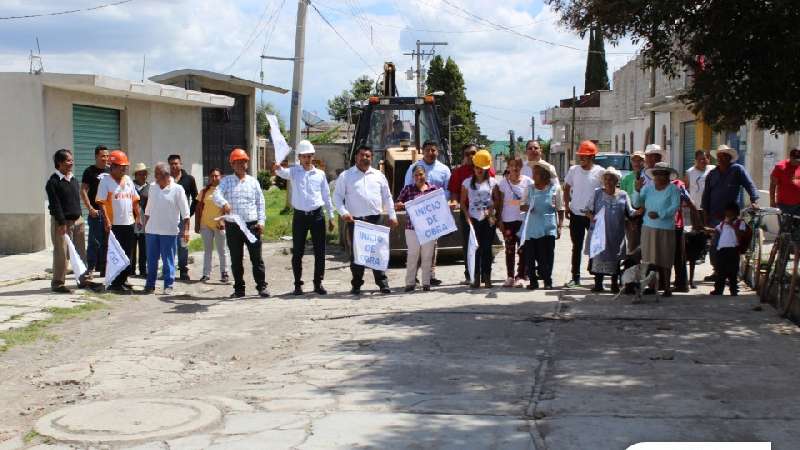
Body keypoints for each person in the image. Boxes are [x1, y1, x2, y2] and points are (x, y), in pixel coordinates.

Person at [334, 145, 399, 295]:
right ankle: (356, 284)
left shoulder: (379, 176)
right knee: (357, 254)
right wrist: (343, 212)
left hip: (375, 220)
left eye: (368, 156)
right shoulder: (346, 176)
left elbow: (387, 197)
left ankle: (383, 283)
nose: (365, 158)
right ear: (356, 157)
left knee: (378, 252)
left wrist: (392, 215)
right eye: (362, 155)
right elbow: (337, 197)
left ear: (372, 158)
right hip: (355, 221)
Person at [273, 140, 335, 296]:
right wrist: (277, 167)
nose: (307, 159)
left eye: (309, 156)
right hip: (300, 217)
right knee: (298, 251)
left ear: (313, 156)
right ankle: (297, 285)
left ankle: (318, 283)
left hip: (317, 216)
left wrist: (331, 216)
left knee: (320, 251)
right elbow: (281, 172)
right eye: (304, 156)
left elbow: (326, 196)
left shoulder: (320, 174)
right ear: (299, 157)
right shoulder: (294, 172)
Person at [213, 148, 269, 298]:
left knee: (257, 258)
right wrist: (224, 203)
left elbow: (260, 203)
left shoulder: (253, 182)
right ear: (232, 164)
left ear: (247, 163)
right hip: (234, 226)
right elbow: (215, 195)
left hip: (252, 226)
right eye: (237, 162)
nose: (241, 165)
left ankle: (262, 287)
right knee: (236, 259)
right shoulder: (226, 181)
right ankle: (239, 289)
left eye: (243, 161)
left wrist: (261, 221)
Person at [702, 144, 759, 281]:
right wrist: (705, 215)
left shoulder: (737, 170)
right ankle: (717, 271)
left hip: (731, 215)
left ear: (730, 158)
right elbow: (706, 195)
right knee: (715, 245)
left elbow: (749, 184)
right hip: (715, 215)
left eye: (725, 156)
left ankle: (731, 274)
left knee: (731, 245)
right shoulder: (712, 174)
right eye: (720, 156)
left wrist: (754, 200)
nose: (721, 159)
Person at [402, 140, 451, 286]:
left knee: (431, 247)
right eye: (428, 150)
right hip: (416, 217)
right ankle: (413, 278)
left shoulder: (444, 169)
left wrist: (439, 202)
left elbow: (448, 189)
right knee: (415, 250)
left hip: (434, 215)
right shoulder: (413, 168)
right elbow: (407, 188)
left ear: (438, 152)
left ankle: (430, 275)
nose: (431, 153)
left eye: (433, 150)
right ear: (422, 151)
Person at [46, 149, 94, 293]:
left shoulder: (73, 179)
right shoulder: (53, 182)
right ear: (59, 163)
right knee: (61, 253)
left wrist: (80, 217)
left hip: (77, 221)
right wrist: (61, 222)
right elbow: (55, 204)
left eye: (72, 160)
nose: (71, 163)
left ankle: (83, 280)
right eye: (68, 160)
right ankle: (58, 283)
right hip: (62, 223)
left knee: (80, 253)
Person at [449, 144, 497, 284]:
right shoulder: (459, 173)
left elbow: (496, 198)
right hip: (470, 216)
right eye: (467, 154)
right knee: (471, 246)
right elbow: (455, 193)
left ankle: (486, 276)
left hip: (489, 216)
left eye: (473, 153)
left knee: (487, 246)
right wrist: (455, 203)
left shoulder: (491, 173)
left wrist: (492, 213)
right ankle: (471, 275)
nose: (470, 156)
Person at [633, 162, 681, 297]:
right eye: (656, 174)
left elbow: (674, 207)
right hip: (648, 227)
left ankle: (666, 287)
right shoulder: (647, 188)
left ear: (667, 176)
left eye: (662, 174)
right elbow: (636, 203)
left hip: (666, 228)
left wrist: (660, 214)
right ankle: (652, 286)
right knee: (649, 258)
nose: (659, 177)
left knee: (665, 258)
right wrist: (637, 190)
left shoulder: (673, 189)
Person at [95, 150, 140, 294]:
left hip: (129, 223)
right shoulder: (105, 181)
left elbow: (134, 200)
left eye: (125, 167)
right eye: (121, 166)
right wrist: (107, 221)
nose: (124, 169)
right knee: (116, 253)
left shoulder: (127, 180)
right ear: (112, 166)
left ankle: (124, 279)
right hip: (114, 224)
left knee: (128, 254)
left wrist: (138, 217)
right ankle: (115, 282)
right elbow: (101, 203)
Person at [587, 167, 636, 293]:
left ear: (616, 181)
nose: (608, 182)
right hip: (600, 232)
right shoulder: (597, 192)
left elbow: (630, 211)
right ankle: (598, 284)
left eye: (611, 179)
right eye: (606, 179)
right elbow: (587, 210)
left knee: (615, 257)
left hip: (616, 232)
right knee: (599, 256)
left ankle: (614, 284)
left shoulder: (623, 194)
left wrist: (641, 210)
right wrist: (592, 217)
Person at [143, 162, 190, 295]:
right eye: (155, 174)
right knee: (151, 260)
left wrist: (186, 230)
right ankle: (150, 284)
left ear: (166, 175)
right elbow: (148, 209)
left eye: (157, 175)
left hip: (169, 232)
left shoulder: (178, 189)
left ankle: (168, 285)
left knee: (168, 260)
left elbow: (185, 213)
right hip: (152, 230)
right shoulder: (153, 187)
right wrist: (146, 227)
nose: (155, 178)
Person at [563, 140, 605, 287]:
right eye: (580, 156)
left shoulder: (600, 172)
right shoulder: (574, 170)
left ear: (592, 157)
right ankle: (575, 277)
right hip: (576, 214)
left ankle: (597, 279)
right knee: (577, 246)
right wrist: (567, 206)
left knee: (595, 246)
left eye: (585, 156)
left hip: (593, 216)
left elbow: (605, 193)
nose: (582, 158)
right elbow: (566, 188)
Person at [396, 165, 442, 292]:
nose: (419, 177)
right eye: (416, 175)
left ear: (425, 175)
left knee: (427, 255)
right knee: (412, 254)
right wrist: (399, 204)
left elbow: (440, 205)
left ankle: (426, 283)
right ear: (412, 177)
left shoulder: (434, 189)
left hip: (429, 228)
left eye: (421, 174)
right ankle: (410, 283)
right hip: (412, 228)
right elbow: (398, 203)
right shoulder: (408, 189)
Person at [522, 162, 564, 290]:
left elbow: (560, 209)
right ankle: (533, 281)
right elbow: (521, 205)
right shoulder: (529, 188)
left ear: (544, 175)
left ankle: (547, 280)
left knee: (547, 256)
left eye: (536, 173)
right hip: (531, 228)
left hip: (548, 228)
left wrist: (560, 226)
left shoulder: (555, 189)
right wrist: (529, 207)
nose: (533, 175)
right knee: (530, 256)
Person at [460, 149, 498, 289]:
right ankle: (475, 278)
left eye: (482, 168)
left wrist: (492, 210)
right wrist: (467, 217)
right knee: (475, 249)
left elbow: (497, 200)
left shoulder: (493, 183)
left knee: (487, 249)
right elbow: (463, 202)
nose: (479, 170)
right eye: (477, 167)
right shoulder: (466, 183)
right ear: (474, 168)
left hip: (488, 219)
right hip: (474, 220)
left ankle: (487, 277)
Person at [494, 156, 533, 287]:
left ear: (521, 167)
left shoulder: (528, 182)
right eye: (512, 165)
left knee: (523, 249)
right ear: (508, 167)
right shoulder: (503, 183)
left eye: (517, 165)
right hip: (508, 220)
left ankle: (521, 276)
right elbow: (500, 203)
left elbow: (531, 200)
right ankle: (510, 276)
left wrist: (525, 205)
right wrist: (499, 220)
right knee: (509, 250)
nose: (515, 168)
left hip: (523, 221)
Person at [195, 167, 229, 284]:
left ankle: (224, 273)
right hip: (206, 225)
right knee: (207, 250)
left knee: (222, 250)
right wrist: (197, 224)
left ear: (221, 177)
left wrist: (223, 220)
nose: (214, 178)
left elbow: (229, 208)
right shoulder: (204, 191)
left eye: (216, 176)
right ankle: (206, 274)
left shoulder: (225, 191)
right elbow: (198, 208)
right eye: (212, 176)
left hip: (219, 225)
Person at [168, 154, 198, 281]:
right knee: (169, 244)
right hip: (168, 218)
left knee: (183, 244)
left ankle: (183, 270)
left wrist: (189, 214)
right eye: (172, 164)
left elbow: (196, 197)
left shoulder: (189, 179)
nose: (174, 166)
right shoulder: (166, 179)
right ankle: (169, 270)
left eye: (176, 163)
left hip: (183, 219)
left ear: (181, 164)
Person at [81, 145, 109, 276]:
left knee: (107, 243)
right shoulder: (89, 171)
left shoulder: (111, 171)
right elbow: (83, 191)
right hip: (96, 213)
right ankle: (91, 268)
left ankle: (104, 269)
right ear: (96, 156)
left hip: (110, 214)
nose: (106, 158)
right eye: (103, 156)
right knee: (94, 242)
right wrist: (90, 208)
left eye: (107, 156)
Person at [711, 202, 748, 296]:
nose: (728, 215)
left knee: (733, 271)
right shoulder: (723, 223)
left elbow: (741, 234)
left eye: (730, 213)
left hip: (733, 249)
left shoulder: (740, 222)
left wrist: (732, 224)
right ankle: (718, 290)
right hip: (722, 249)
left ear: (735, 213)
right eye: (727, 213)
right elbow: (716, 230)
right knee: (720, 271)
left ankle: (733, 290)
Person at [620, 150, 646, 258]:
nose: (637, 163)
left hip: (646, 213)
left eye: (640, 160)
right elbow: (622, 198)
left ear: (643, 162)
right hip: (631, 215)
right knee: (633, 244)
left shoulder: (647, 176)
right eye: (634, 160)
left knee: (645, 244)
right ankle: (632, 269)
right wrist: (627, 217)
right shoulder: (626, 178)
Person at [769, 146, 800, 215]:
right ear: (791, 158)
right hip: (784, 206)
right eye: (796, 160)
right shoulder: (780, 167)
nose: (798, 162)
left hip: (799, 205)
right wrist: (772, 202)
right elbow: (773, 185)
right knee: (786, 226)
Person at [131, 163, 149, 278]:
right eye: (140, 174)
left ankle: (143, 270)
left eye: (145, 174)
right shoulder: (130, 186)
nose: (143, 176)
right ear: (136, 175)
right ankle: (131, 270)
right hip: (131, 220)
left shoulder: (150, 187)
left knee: (144, 247)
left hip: (146, 221)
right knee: (131, 246)